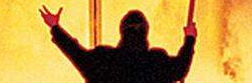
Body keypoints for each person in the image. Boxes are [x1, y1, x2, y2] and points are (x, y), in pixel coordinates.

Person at [40, 5, 196, 83]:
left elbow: (75, 53)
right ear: (146, 31)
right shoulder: (157, 62)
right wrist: (189, 39)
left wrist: (56, 28)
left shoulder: (104, 60)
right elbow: (180, 69)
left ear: (122, 31)